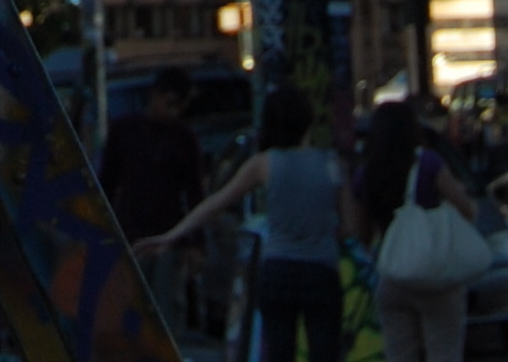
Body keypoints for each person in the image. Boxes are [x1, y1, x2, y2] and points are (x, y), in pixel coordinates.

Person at [137, 79, 355, 362]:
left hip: (278, 270)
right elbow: (350, 227)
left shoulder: (264, 164)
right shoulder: (331, 164)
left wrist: (171, 235)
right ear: (308, 120)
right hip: (321, 271)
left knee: (279, 350)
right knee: (324, 351)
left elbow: (216, 203)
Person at [357, 100, 481, 362]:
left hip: (393, 277)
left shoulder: (367, 172)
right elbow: (466, 209)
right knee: (444, 352)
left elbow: (362, 234)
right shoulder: (428, 163)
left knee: (399, 354)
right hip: (436, 277)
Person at [98, 72, 206, 332]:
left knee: (167, 306)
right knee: (131, 304)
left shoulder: (184, 138)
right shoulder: (125, 131)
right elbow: (107, 183)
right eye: (170, 103)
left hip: (170, 233)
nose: (173, 112)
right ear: (155, 96)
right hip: (132, 230)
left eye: (179, 107)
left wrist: (196, 243)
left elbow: (194, 192)